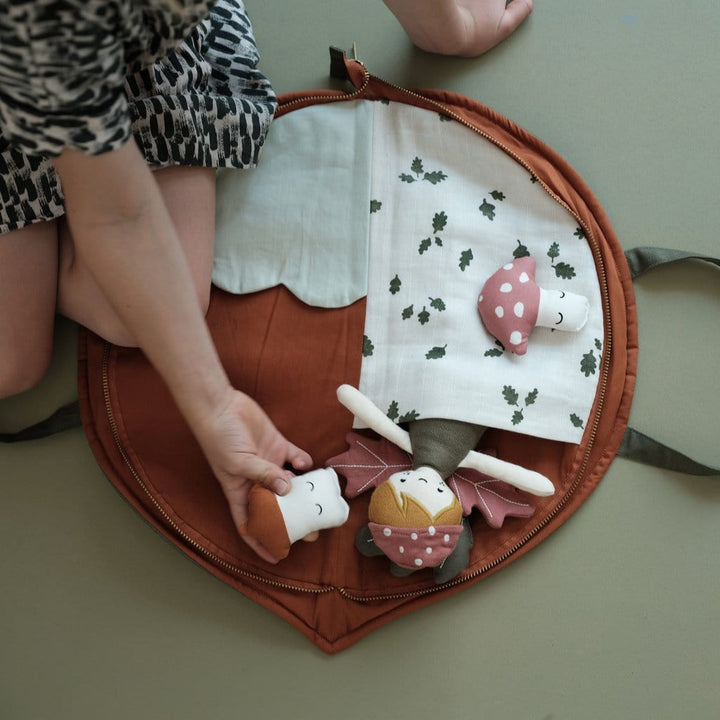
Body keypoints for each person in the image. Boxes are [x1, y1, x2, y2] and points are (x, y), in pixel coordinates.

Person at [0, 0, 532, 562]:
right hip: (34, 76)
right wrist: (209, 404)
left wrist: (447, 26)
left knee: (140, 310)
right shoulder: (46, 29)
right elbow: (114, 213)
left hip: (135, 71)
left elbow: (116, 213)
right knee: (13, 363)